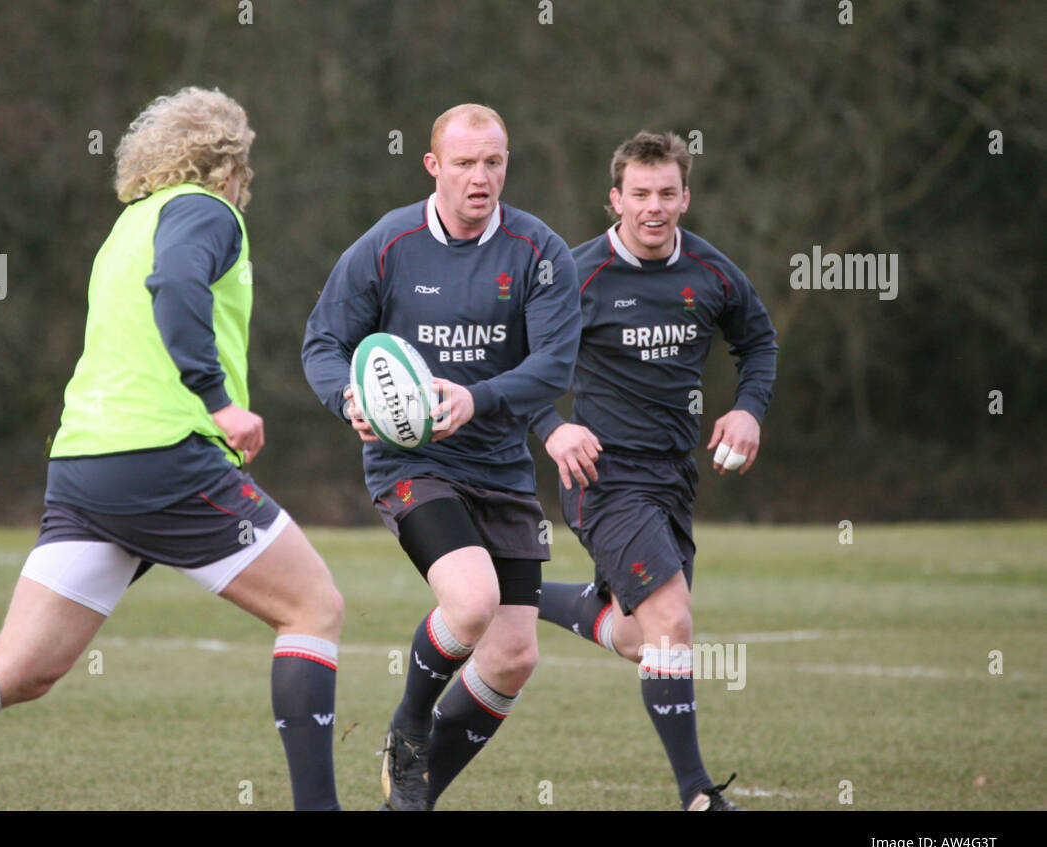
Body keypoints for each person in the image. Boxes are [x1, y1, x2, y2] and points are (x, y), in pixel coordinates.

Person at [0, 87, 345, 812]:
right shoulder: (208, 210)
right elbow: (176, 286)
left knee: (22, 665)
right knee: (313, 607)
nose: (246, 185)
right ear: (227, 165)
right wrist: (220, 401)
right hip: (165, 456)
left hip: (85, 465)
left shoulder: (126, 227)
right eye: (245, 170)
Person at [302, 103, 580, 810]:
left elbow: (554, 365)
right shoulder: (388, 245)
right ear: (434, 166)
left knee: (514, 654)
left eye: (494, 162)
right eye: (464, 163)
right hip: (413, 465)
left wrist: (477, 398)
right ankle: (407, 725)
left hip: (501, 468)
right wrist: (348, 401)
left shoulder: (539, 251)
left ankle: (409, 799)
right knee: (472, 598)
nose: (480, 177)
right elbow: (322, 344)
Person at [530, 131, 777, 810]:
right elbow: (514, 370)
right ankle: (697, 793)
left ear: (685, 196)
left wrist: (749, 409)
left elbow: (757, 340)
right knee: (672, 619)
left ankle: (516, 593)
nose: (653, 206)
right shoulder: (576, 276)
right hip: (603, 478)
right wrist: (554, 427)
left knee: (645, 637)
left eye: (667, 192)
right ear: (615, 199)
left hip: (674, 477)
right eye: (639, 194)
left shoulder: (713, 272)